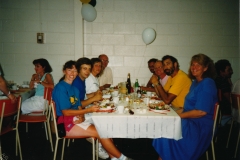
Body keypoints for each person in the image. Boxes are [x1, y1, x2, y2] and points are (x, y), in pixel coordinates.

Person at [52, 60, 133, 160]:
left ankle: (115, 158)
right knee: (101, 132)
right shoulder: (61, 88)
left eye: (75, 71)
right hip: (64, 123)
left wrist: (82, 116)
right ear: (64, 71)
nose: (72, 74)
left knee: (103, 129)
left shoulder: (75, 89)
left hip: (75, 119)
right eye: (70, 70)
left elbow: (78, 106)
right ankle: (122, 158)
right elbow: (65, 112)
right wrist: (87, 110)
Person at [153, 53, 218, 160]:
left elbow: (201, 112)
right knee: (165, 123)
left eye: (198, 65)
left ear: (206, 68)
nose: (194, 67)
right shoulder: (195, 83)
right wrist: (172, 115)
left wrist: (178, 117)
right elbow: (188, 107)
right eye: (192, 64)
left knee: (167, 129)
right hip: (192, 120)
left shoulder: (207, 84)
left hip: (199, 126)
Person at [72, 57, 108, 159]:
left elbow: (83, 97)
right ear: (79, 69)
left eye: (88, 68)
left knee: (105, 117)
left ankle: (103, 144)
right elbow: (78, 104)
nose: (87, 71)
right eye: (85, 69)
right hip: (76, 115)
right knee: (103, 121)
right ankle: (100, 146)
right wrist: (94, 98)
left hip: (81, 111)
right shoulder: (76, 82)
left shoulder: (82, 80)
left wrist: (94, 95)